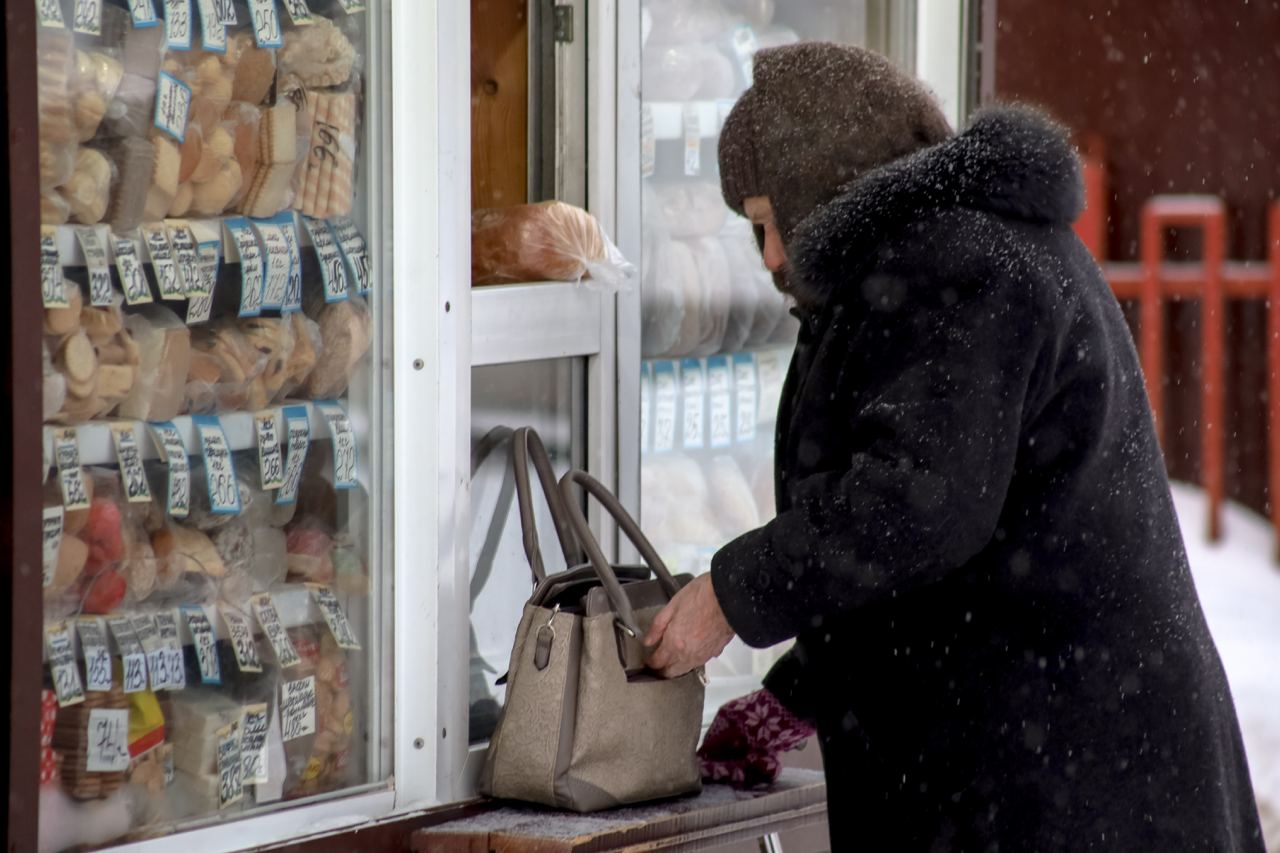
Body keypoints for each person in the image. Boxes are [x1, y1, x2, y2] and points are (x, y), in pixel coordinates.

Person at [642, 42, 1264, 851]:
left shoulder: (958, 266)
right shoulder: (947, 257)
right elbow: (933, 561)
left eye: (768, 222)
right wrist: (802, 691)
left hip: (1064, 781)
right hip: (1058, 761)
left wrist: (732, 594)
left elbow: (916, 504)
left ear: (816, 188)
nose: (768, 257)